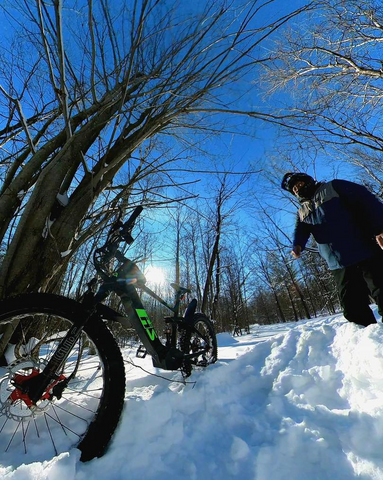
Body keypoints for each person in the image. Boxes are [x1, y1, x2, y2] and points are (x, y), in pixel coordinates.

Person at [281, 172, 383, 327]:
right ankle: (370, 342)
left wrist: (380, 227)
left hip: (365, 250)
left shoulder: (333, 187)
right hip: (339, 263)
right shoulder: (302, 211)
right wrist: (297, 245)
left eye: (299, 184)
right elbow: (300, 231)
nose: (297, 189)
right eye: (294, 189)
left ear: (307, 181)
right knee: (353, 310)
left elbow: (366, 199)